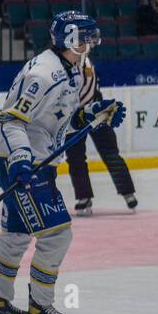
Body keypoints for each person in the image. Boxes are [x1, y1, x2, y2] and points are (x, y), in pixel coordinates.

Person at [0, 12, 125, 314]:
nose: (90, 43)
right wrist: (20, 160)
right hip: (23, 164)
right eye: (84, 37)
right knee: (57, 234)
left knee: (17, 233)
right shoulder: (43, 74)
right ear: (69, 38)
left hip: (34, 161)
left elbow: (60, 118)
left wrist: (91, 115)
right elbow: (11, 121)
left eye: (92, 36)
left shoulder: (72, 69)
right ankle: (40, 309)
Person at [65, 56, 136, 215]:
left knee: (110, 153)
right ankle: (83, 197)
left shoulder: (85, 62)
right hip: (71, 116)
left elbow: (88, 94)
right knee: (75, 158)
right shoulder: (57, 65)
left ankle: (127, 192)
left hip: (96, 111)